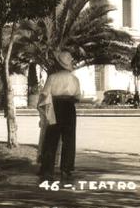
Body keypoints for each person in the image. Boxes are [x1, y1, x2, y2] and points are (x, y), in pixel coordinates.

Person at [38, 51, 81, 183]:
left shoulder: (52, 77)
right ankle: (66, 169)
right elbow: (78, 96)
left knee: (51, 139)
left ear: (58, 64)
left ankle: (47, 170)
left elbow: (45, 94)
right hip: (69, 107)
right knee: (69, 139)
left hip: (55, 107)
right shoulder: (74, 79)